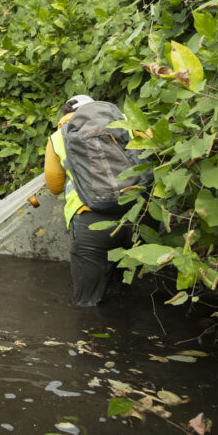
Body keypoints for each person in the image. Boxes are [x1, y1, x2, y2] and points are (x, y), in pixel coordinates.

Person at [45, 94, 136, 307]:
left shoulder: (58, 137)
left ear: (66, 114)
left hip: (90, 219)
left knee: (87, 301)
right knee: (129, 294)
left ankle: (88, 337)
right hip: (137, 214)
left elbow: (55, 187)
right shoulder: (127, 124)